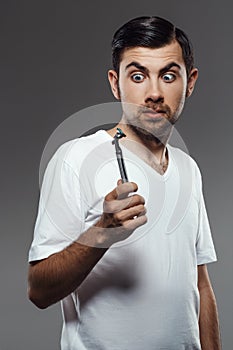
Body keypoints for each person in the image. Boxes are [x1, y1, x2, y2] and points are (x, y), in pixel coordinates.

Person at [28, 16, 221, 349]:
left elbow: (201, 286)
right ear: (115, 84)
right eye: (138, 76)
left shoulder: (188, 168)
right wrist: (103, 231)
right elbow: (39, 291)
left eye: (168, 75)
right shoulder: (75, 158)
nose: (155, 93)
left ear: (190, 82)